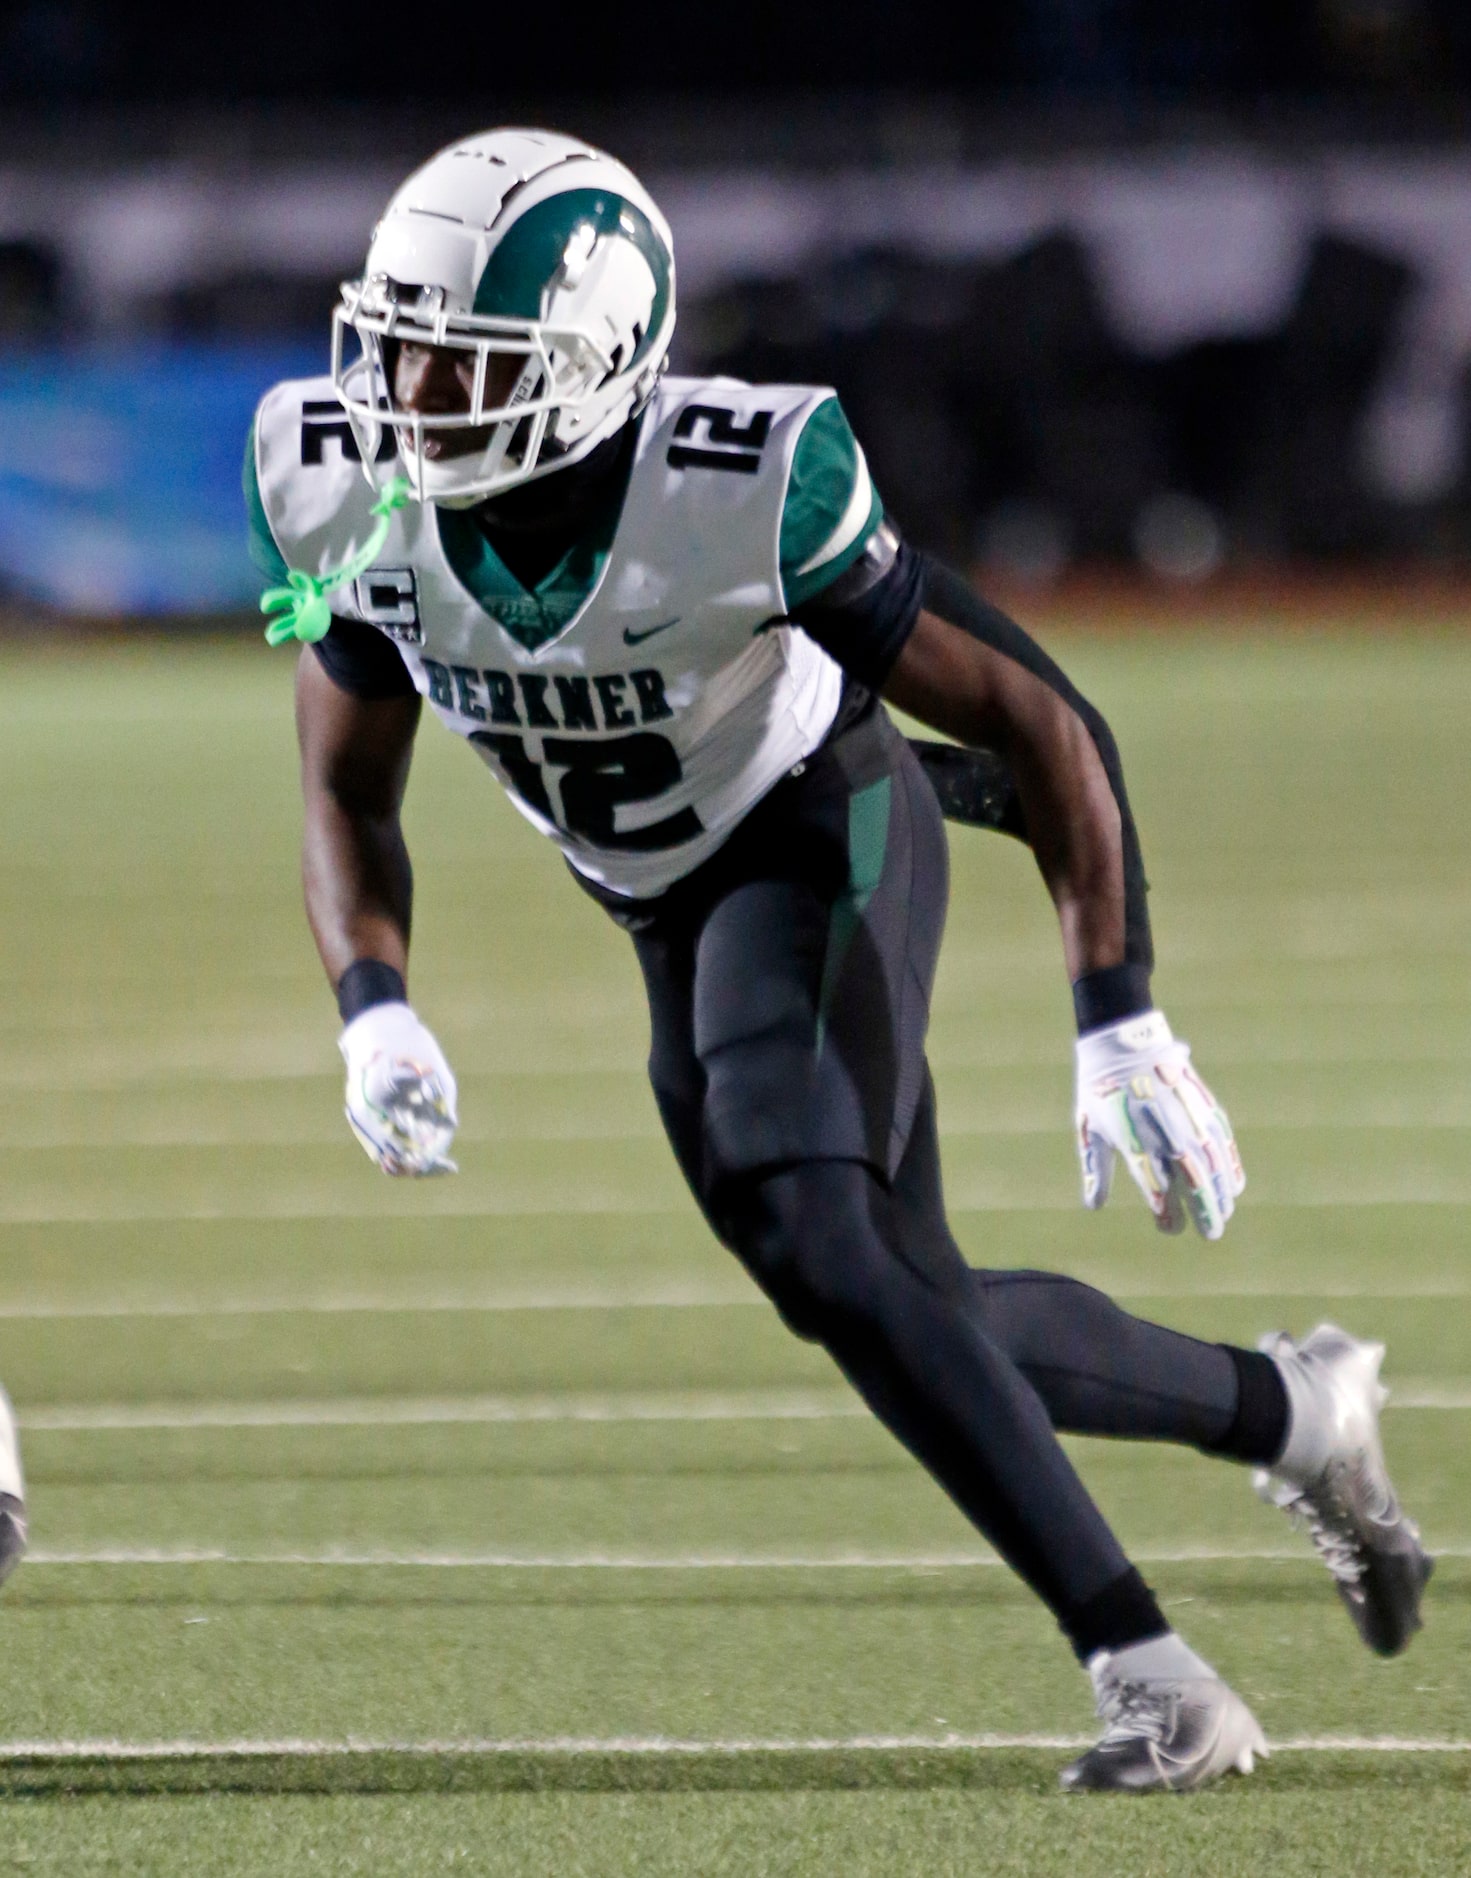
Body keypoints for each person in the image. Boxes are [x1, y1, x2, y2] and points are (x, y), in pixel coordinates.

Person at [244, 127, 1431, 1792]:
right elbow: (346, 778)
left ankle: (1154, 1673)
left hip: (821, 831)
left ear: (589, 367)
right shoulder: (336, 479)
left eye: (462, 361)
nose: (407, 391)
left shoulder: (740, 478)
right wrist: (374, 1007)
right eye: (397, 340)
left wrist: (1120, 1016)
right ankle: (1296, 1412)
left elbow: (1028, 713)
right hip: (661, 899)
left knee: (817, 1226)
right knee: (898, 1303)